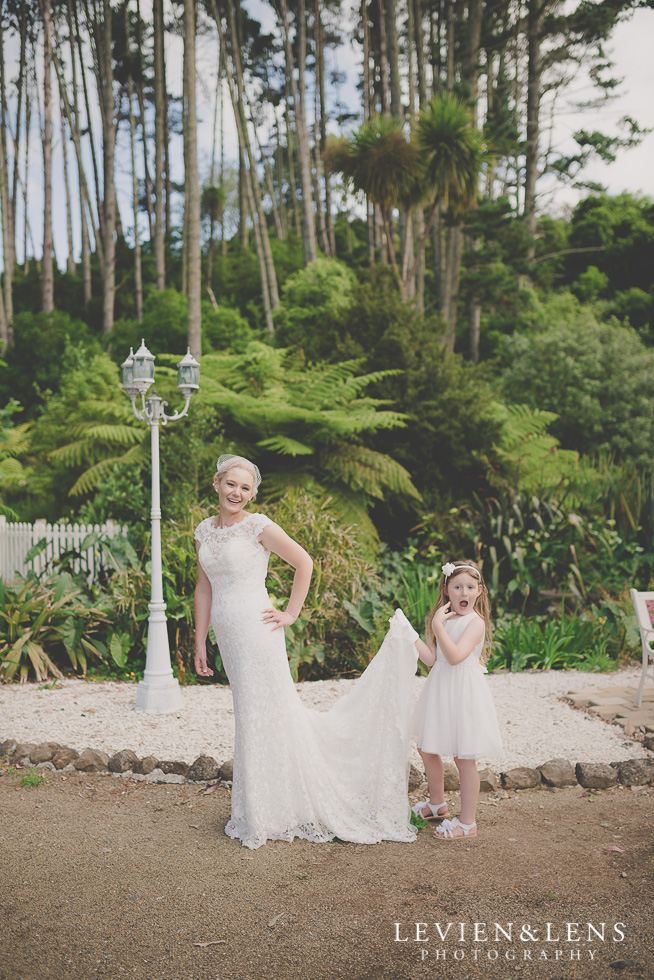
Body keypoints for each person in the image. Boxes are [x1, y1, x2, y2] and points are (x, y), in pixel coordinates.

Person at [193, 453, 420, 850]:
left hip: (257, 630)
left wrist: (291, 613)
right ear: (217, 484)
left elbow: (304, 562)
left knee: (265, 712)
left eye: (246, 488)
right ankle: (264, 804)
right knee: (251, 714)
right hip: (226, 635)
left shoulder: (258, 526)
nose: (237, 493)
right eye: (231, 484)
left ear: (252, 494)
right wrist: (198, 641)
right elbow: (204, 588)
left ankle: (270, 809)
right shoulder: (203, 530)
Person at [410, 560, 504, 840]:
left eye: (470, 587)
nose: (464, 592)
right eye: (458, 587)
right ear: (447, 590)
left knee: (464, 757)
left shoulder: (475, 623)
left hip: (464, 693)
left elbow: (454, 657)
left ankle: (467, 822)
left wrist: (438, 624)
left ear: (480, 592)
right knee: (427, 747)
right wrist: (408, 635)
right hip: (440, 689)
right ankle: (437, 804)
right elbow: (432, 658)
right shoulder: (441, 621)